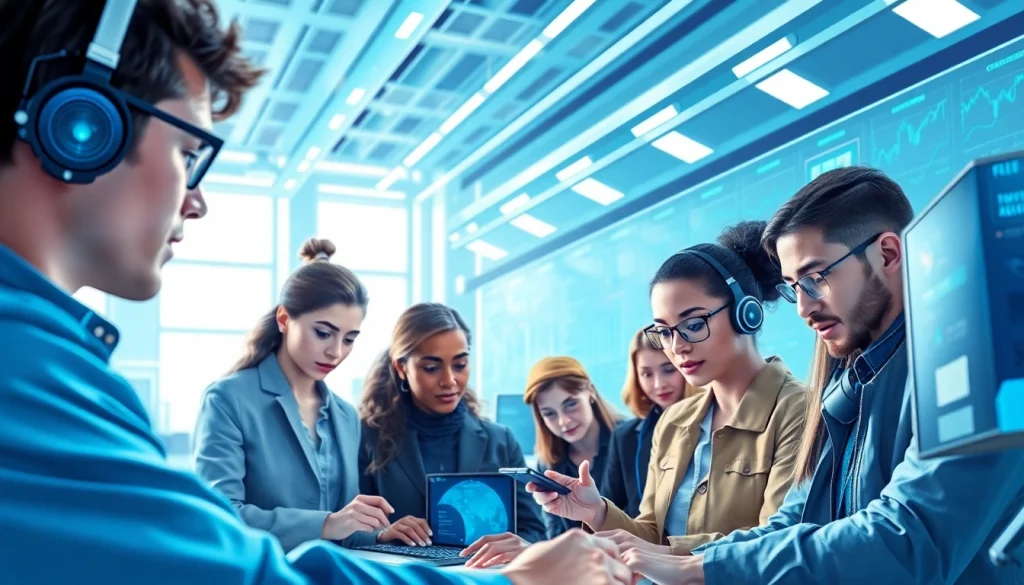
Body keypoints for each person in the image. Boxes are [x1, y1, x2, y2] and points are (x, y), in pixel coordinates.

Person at [0, 1, 631, 584]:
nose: (197, 200)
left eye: (349, 337)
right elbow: (232, 568)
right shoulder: (28, 368)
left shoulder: (47, 357)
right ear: (80, 126)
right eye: (189, 152)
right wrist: (521, 580)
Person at [613, 167, 1024, 585]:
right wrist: (674, 558)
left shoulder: (980, 363)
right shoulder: (850, 377)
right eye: (794, 286)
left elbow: (908, 538)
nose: (803, 309)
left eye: (816, 279)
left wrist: (702, 567)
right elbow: (800, 517)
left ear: (887, 254)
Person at [531, 221, 807, 558]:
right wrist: (595, 511)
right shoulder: (675, 421)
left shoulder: (798, 409)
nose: (677, 346)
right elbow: (651, 534)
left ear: (746, 313)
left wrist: (659, 555)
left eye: (693, 325)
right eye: (664, 332)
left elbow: (776, 543)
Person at [193, 237, 393, 552]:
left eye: (350, 338)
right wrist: (326, 524)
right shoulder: (228, 398)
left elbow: (344, 530)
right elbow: (220, 515)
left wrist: (380, 533)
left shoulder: (345, 415)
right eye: (323, 333)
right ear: (285, 320)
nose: (336, 352)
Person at [358, 302, 546, 550]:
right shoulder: (368, 439)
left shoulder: (501, 441)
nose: (449, 381)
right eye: (431, 368)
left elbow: (535, 532)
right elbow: (344, 528)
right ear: (401, 368)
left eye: (460, 365)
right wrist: (381, 535)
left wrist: (519, 545)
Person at [600, 327, 699, 518]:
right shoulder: (624, 437)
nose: (658, 384)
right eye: (647, 374)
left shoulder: (714, 421)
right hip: (638, 542)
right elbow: (610, 511)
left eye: (668, 370)